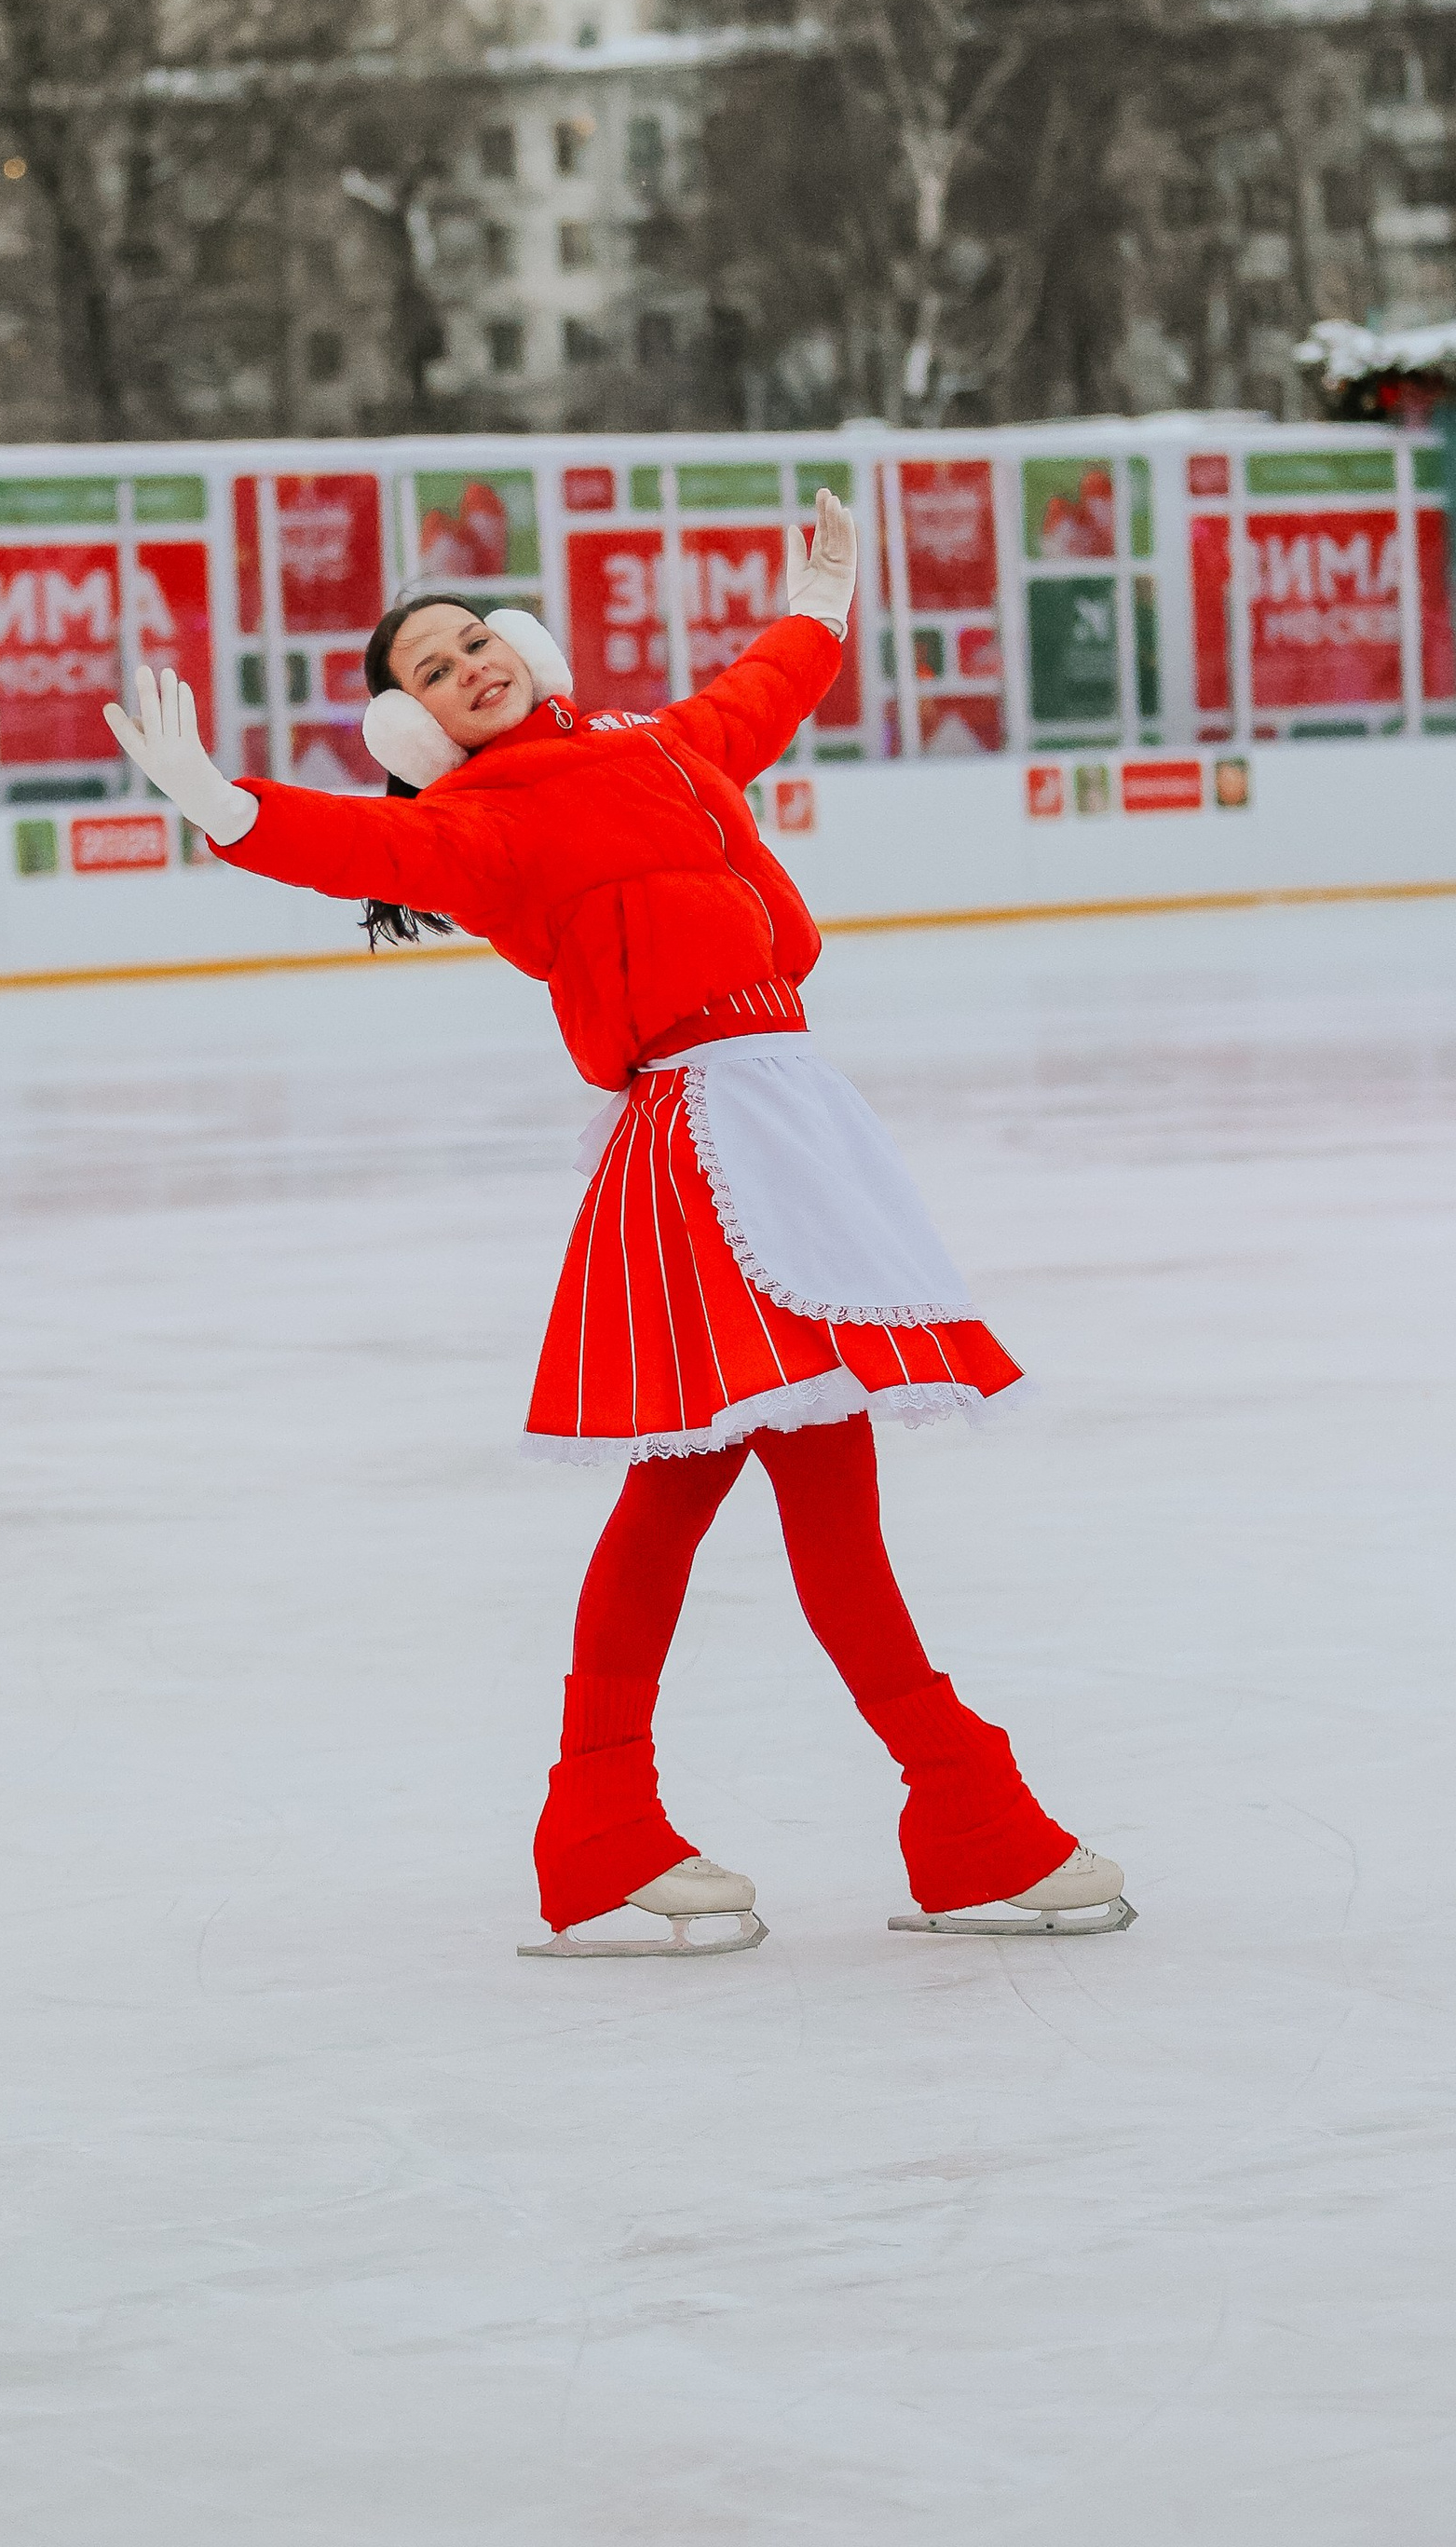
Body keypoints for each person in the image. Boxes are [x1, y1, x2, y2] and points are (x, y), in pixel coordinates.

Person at [104, 490, 1130, 1955]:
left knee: (689, 1492)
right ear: (420, 730)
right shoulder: (475, 823)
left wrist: (823, 602)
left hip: (781, 1120)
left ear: (522, 641)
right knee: (794, 1487)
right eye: (435, 674)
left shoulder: (654, 744)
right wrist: (222, 804)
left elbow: (757, 693)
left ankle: (626, 1825)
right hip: (708, 1150)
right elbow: (354, 852)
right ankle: (954, 1810)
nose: (471, 669)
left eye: (475, 641)